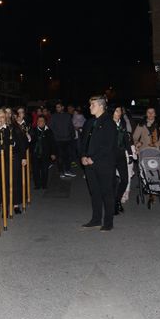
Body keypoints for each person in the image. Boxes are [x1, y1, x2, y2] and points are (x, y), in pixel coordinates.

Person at [80, 95, 118, 232]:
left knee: (107, 193)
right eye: (90, 105)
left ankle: (108, 222)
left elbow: (107, 146)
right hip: (89, 163)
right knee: (94, 192)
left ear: (101, 106)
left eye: (93, 105)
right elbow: (83, 141)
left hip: (104, 164)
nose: (90, 107)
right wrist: (83, 155)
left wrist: (93, 158)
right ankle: (96, 219)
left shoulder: (109, 123)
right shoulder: (90, 122)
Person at [112, 106, 132, 215]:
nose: (119, 112)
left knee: (125, 180)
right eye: (117, 111)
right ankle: (113, 203)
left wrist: (129, 153)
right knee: (113, 181)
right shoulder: (108, 124)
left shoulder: (122, 123)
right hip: (110, 156)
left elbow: (126, 139)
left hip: (121, 155)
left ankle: (117, 200)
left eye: (120, 111)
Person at [49, 102, 76, 178]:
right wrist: (56, 135)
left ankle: (67, 171)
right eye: (56, 107)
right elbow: (51, 127)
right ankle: (61, 172)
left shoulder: (67, 116)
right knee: (60, 156)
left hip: (67, 139)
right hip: (58, 140)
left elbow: (71, 126)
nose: (57, 108)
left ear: (62, 107)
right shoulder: (53, 116)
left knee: (67, 156)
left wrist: (72, 136)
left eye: (58, 107)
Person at [30, 116, 56, 190]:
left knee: (45, 170)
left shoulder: (49, 131)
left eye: (41, 121)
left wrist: (53, 153)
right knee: (35, 170)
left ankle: (44, 184)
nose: (40, 122)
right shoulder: (33, 130)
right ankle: (37, 185)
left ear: (45, 122)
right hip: (35, 153)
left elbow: (52, 143)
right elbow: (30, 142)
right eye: (38, 121)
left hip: (45, 154)